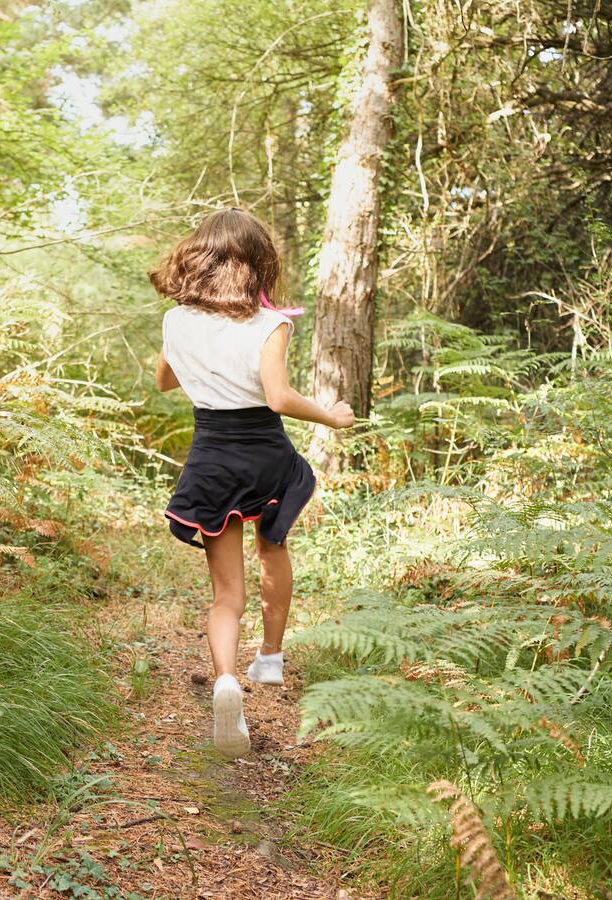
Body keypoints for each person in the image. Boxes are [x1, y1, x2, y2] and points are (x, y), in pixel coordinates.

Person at [150, 208, 354, 758]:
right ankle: (268, 657)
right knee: (273, 545)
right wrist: (331, 416)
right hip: (264, 452)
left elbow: (164, 380)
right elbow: (278, 398)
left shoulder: (176, 320)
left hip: (212, 455)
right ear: (259, 262)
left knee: (226, 595)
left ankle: (225, 680)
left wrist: (198, 361)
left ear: (199, 258)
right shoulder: (270, 323)